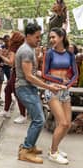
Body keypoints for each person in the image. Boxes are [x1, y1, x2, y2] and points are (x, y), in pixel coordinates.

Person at [15, 23, 62, 164]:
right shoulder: (26, 51)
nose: (39, 40)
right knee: (39, 120)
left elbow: (35, 73)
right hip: (25, 88)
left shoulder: (29, 49)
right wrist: (48, 86)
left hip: (29, 88)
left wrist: (52, 80)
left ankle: (28, 146)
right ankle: (25, 151)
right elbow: (29, 76)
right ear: (28, 36)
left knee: (37, 118)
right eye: (37, 37)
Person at [42, 27, 78, 164]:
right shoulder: (49, 53)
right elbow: (45, 74)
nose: (51, 40)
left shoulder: (70, 54)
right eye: (50, 38)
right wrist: (59, 81)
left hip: (65, 91)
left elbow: (75, 74)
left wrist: (67, 85)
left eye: (53, 37)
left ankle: (55, 148)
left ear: (61, 37)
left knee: (67, 124)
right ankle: (53, 152)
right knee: (62, 123)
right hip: (52, 90)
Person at [0, 31, 27, 124]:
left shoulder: (15, 48)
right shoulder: (22, 47)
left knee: (17, 93)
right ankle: (6, 111)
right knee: (7, 90)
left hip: (17, 72)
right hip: (17, 71)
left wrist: (0, 55)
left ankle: (23, 115)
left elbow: (10, 62)